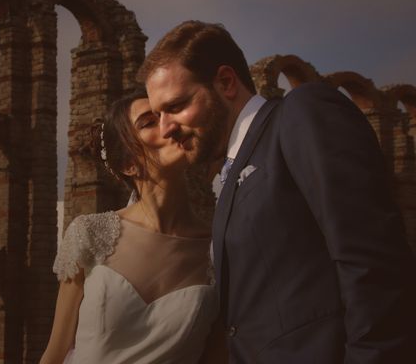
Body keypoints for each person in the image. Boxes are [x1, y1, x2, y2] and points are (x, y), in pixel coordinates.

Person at [139, 20, 416, 363]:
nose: (165, 129)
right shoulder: (228, 180)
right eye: (156, 114)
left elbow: (374, 264)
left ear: (226, 82)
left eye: (176, 106)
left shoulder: (301, 112)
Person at [40, 88, 222, 364]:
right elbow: (55, 352)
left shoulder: (217, 252)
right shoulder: (89, 234)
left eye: (167, 114)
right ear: (128, 164)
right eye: (150, 122)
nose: (168, 125)